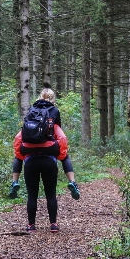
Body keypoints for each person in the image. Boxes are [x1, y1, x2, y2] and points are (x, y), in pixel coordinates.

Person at [8, 88, 80, 233]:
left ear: (40, 96)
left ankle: (31, 225)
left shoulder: (31, 110)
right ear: (53, 98)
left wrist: (21, 155)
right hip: (49, 159)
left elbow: (18, 138)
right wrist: (61, 155)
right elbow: (62, 137)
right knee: (51, 194)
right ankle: (53, 224)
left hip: (30, 159)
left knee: (32, 194)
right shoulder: (54, 112)